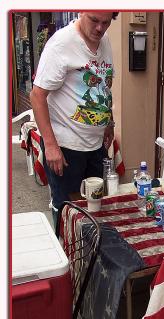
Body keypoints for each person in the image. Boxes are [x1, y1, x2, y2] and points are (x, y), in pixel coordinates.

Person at [30, 11, 119, 224]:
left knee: (95, 205)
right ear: (81, 12)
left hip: (95, 145)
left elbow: (105, 84)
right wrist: (50, 146)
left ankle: (89, 255)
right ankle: (68, 256)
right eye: (94, 20)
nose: (100, 28)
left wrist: (109, 122)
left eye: (106, 22)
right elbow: (37, 96)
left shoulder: (104, 41)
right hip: (66, 147)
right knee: (67, 211)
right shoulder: (61, 45)